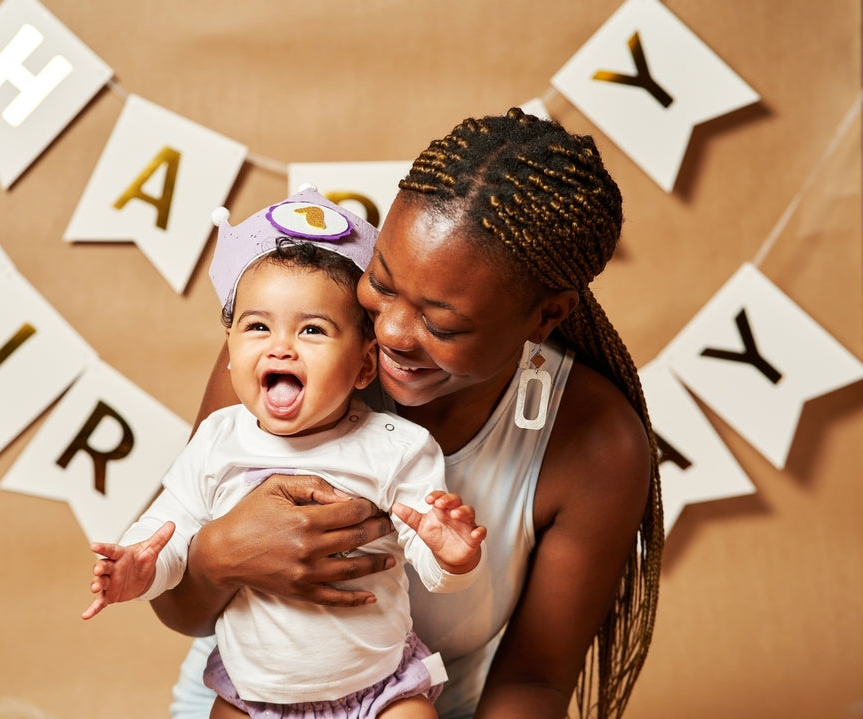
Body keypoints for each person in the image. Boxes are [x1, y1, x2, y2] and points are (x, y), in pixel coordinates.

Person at [152, 108, 664, 719]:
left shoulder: (596, 445)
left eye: (441, 323)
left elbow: (534, 681)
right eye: (383, 283)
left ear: (546, 316)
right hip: (247, 701)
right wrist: (220, 555)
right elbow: (176, 606)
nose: (390, 332)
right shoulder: (295, 350)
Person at [82, 186, 489, 719]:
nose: (281, 347)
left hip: (380, 690)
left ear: (365, 365)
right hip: (252, 695)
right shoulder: (217, 441)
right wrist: (142, 567)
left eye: (313, 330)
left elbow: (426, 550)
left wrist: (450, 556)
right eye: (257, 326)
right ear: (229, 352)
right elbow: (172, 529)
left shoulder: (394, 446)